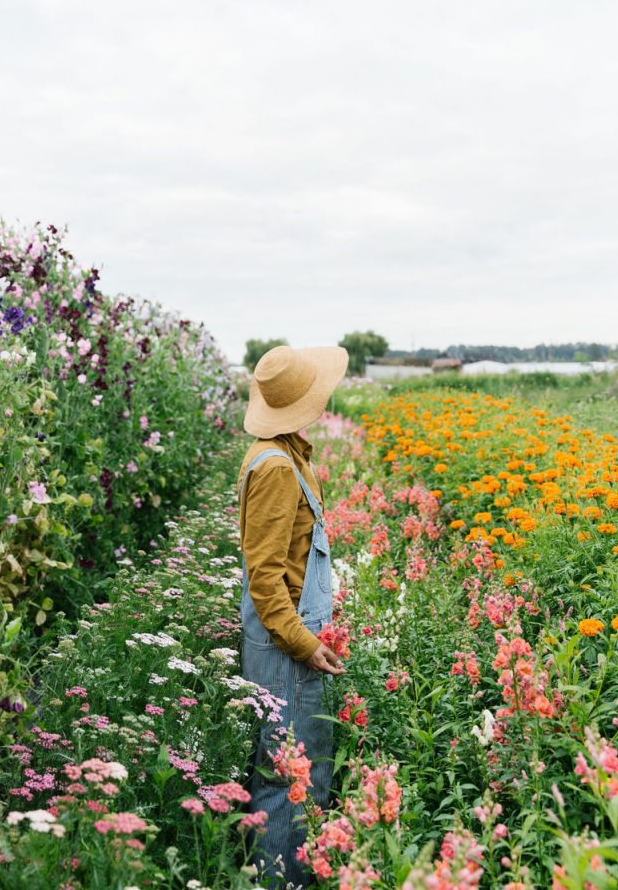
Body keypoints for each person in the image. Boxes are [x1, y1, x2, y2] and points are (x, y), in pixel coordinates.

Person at [237, 344, 349, 888]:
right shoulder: (277, 468)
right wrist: (306, 643)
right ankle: (283, 879)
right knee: (289, 779)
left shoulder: (283, 450)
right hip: (286, 650)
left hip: (291, 637)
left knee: (296, 769)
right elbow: (265, 578)